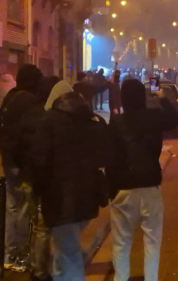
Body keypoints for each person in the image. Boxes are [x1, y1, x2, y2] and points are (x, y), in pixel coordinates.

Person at [31, 86, 111, 281]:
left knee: (69, 251)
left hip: (60, 198)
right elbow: (105, 156)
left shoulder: (48, 122)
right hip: (87, 197)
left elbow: (38, 161)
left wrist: (38, 191)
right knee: (65, 247)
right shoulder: (94, 123)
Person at [107, 80, 178, 281]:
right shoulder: (153, 117)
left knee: (121, 243)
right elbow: (175, 119)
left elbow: (110, 157)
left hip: (123, 187)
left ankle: (121, 278)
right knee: (152, 241)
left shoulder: (117, 122)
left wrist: (110, 190)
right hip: (149, 184)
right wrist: (162, 98)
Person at [18, 77, 66, 279]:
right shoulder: (52, 119)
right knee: (45, 227)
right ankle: (43, 269)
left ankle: (33, 265)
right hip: (45, 179)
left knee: (36, 225)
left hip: (30, 176)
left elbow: (18, 145)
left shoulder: (29, 115)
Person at [0, 64, 42, 272]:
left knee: (11, 208)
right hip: (23, 163)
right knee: (25, 209)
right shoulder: (32, 102)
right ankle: (21, 255)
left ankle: (8, 253)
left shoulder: (10, 97)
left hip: (8, 161)